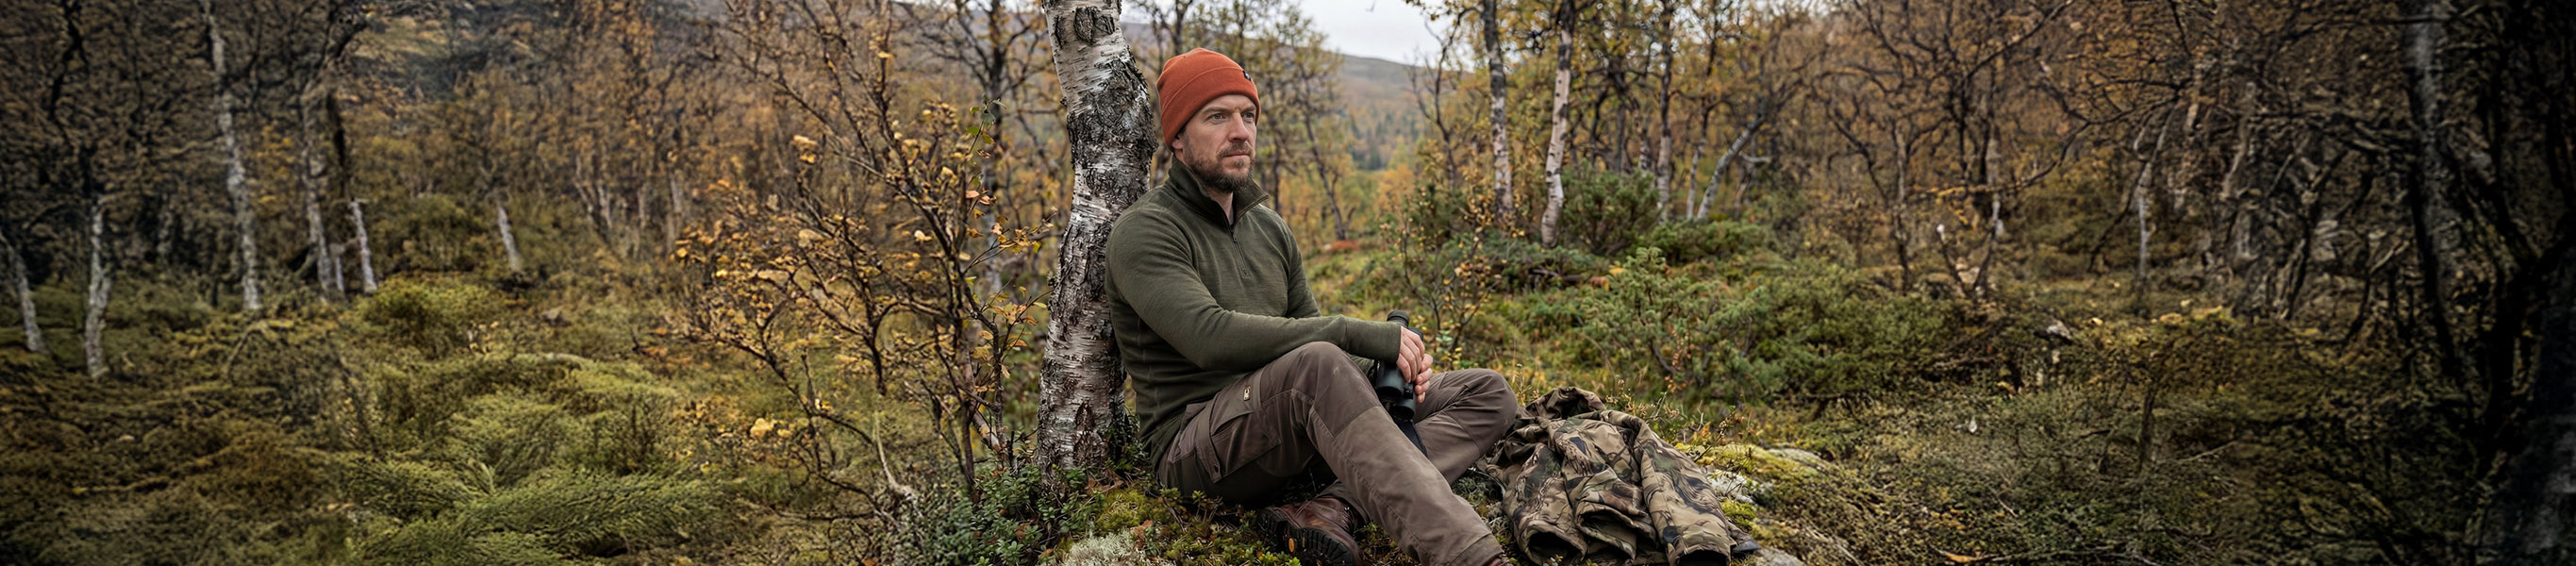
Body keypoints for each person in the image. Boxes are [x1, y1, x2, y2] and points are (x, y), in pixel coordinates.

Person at [1105, 48, 1519, 566]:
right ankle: (1472, 557)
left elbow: (1309, 335)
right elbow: (1207, 337)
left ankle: (1332, 508)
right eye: (1217, 116)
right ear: (1178, 139)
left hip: (1287, 424)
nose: (1240, 131)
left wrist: (1386, 370)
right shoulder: (1146, 230)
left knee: (1485, 392)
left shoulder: (1268, 228)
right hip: (1195, 448)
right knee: (1318, 364)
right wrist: (1357, 335)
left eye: (1248, 115)